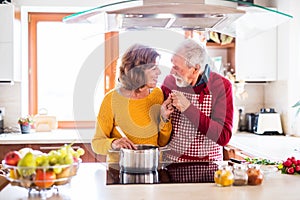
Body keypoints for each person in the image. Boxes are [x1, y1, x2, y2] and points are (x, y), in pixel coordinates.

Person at [92, 44, 173, 156]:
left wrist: (164, 119)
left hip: (150, 166)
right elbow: (96, 144)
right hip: (121, 168)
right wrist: (114, 143)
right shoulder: (111, 99)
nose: (159, 72)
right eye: (154, 68)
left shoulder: (157, 94)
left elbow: (161, 142)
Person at [161, 39, 234, 162]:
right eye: (172, 65)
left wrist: (188, 108)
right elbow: (159, 126)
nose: (171, 72)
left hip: (210, 165)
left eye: (177, 68)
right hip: (173, 163)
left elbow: (223, 136)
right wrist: (163, 116)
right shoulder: (170, 82)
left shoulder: (221, 86)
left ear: (195, 69)